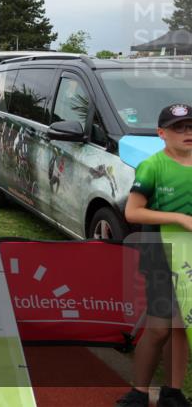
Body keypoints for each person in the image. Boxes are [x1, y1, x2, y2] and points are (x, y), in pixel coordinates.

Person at [116, 104, 192, 407]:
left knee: (181, 325)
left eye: (190, 126)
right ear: (162, 133)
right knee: (160, 326)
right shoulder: (152, 166)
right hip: (161, 251)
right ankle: (139, 391)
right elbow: (132, 212)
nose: (187, 133)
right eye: (178, 127)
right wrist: (179, 219)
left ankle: (173, 393)